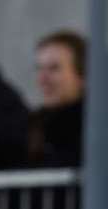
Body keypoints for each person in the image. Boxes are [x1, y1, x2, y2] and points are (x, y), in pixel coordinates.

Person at [28, 30, 86, 168]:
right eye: (39, 69)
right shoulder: (34, 123)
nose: (42, 79)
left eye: (54, 69)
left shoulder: (94, 126)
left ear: (83, 76)